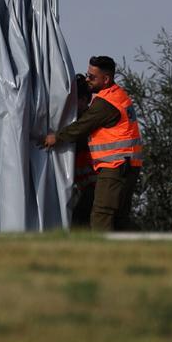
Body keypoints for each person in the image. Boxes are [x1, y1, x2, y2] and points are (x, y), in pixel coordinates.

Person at [44, 55, 143, 231]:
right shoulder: (117, 96)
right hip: (127, 166)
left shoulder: (105, 103)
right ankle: (144, 247)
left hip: (116, 166)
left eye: (92, 77)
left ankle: (102, 256)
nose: (88, 79)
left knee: (101, 215)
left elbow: (82, 126)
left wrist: (55, 138)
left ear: (106, 79)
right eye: (88, 74)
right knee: (119, 218)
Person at [68, 73, 97, 229]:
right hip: (84, 185)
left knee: (80, 222)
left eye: (74, 99)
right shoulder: (78, 120)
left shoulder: (87, 122)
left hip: (91, 186)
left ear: (84, 100)